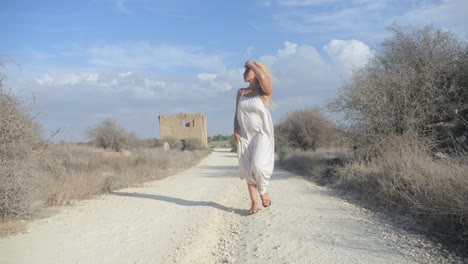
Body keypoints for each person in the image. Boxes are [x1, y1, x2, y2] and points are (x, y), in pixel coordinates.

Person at [234, 60, 275, 215]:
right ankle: (254, 204)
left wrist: (253, 65)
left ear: (256, 72)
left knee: (257, 165)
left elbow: (264, 80)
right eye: (245, 71)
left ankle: (263, 191)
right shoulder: (240, 92)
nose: (244, 74)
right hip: (244, 135)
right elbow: (236, 113)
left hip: (261, 134)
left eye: (247, 71)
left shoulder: (263, 92)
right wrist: (235, 130)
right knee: (247, 169)